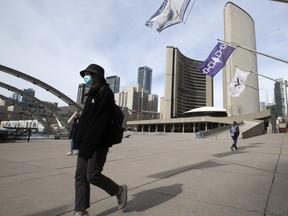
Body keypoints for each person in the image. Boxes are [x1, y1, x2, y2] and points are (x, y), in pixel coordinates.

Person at [73, 64, 127, 216]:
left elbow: (102, 121)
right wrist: (79, 139)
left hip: (98, 143)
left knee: (93, 176)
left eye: (88, 74)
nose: (86, 77)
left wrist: (91, 143)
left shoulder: (105, 92)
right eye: (85, 74)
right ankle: (81, 210)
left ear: (97, 76)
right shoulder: (90, 94)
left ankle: (119, 190)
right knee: (80, 176)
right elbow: (88, 121)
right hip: (85, 143)